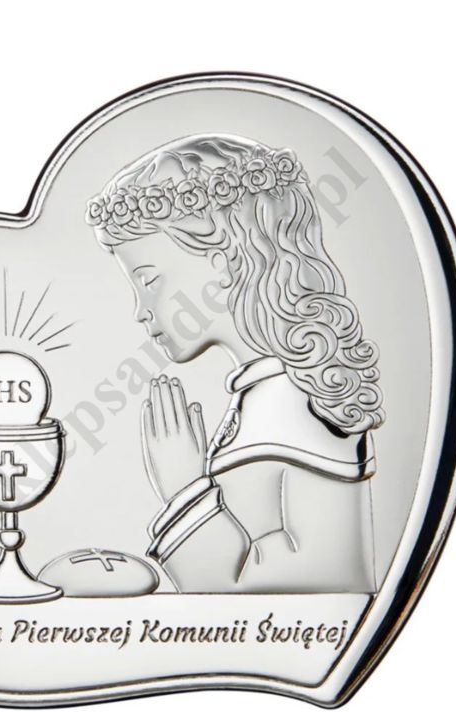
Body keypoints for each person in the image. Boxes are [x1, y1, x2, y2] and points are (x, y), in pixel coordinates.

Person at [85, 135, 384, 593]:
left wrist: (184, 488)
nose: (140, 311)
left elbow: (305, 591)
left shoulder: (296, 403)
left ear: (223, 265)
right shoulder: (273, 393)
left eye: (149, 281)